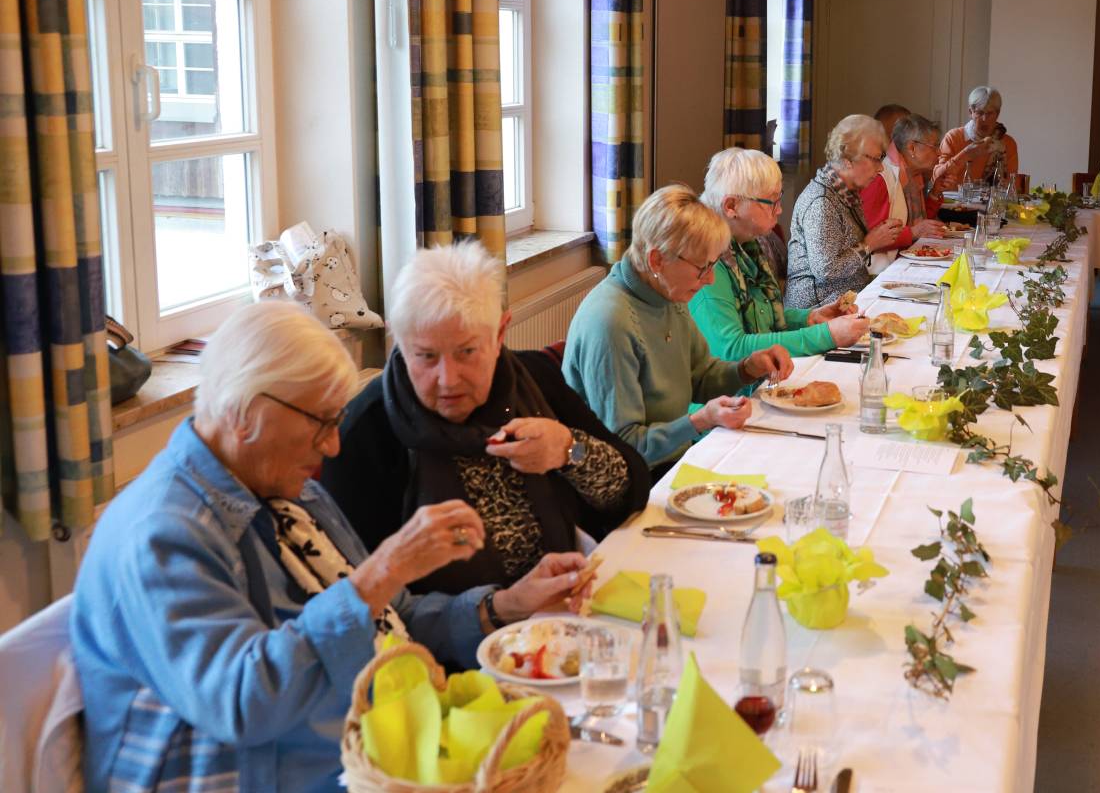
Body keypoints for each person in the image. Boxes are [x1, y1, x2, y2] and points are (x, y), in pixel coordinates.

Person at [72, 302, 589, 793]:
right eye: (322, 421)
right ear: (247, 412)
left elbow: (394, 618)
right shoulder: (163, 533)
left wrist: (506, 604)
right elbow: (241, 703)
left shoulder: (289, 494)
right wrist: (381, 571)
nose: (333, 445)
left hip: (359, 753)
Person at [324, 243, 651, 595]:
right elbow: (364, 602)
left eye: (466, 352)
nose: (448, 379)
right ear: (399, 343)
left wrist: (569, 451)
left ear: (499, 334)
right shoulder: (365, 435)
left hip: (565, 609)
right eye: (426, 356)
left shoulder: (535, 380)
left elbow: (631, 490)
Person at [564, 184, 794, 467]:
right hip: (634, 482)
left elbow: (699, 377)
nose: (710, 280)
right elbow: (622, 447)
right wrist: (699, 420)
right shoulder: (610, 323)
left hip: (674, 459)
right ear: (657, 260)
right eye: (703, 268)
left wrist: (748, 368)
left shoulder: (665, 292)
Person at [690, 147, 869, 360]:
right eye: (771, 202)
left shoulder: (745, 244)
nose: (779, 210)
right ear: (731, 206)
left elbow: (760, 314)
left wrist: (809, 318)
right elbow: (733, 348)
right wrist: (826, 335)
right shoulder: (707, 261)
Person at [786, 114, 903, 307]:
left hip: (846, 297)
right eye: (875, 159)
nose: (881, 168)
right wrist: (869, 244)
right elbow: (825, 271)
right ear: (848, 159)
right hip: (818, 309)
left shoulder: (845, 193)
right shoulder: (822, 202)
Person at [861, 112, 951, 269]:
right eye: (935, 145)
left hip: (909, 259)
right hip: (883, 270)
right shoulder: (881, 179)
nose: (939, 152)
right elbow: (871, 237)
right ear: (912, 148)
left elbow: (920, 223)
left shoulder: (914, 176)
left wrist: (935, 193)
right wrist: (914, 232)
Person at [934, 86, 1019, 192]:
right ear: (971, 112)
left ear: (997, 114)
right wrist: (966, 154)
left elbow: (1012, 183)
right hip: (953, 205)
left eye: (989, 113)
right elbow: (937, 178)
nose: (984, 119)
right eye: (980, 113)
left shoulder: (1007, 143)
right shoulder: (953, 137)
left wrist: (1006, 185)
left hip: (991, 204)